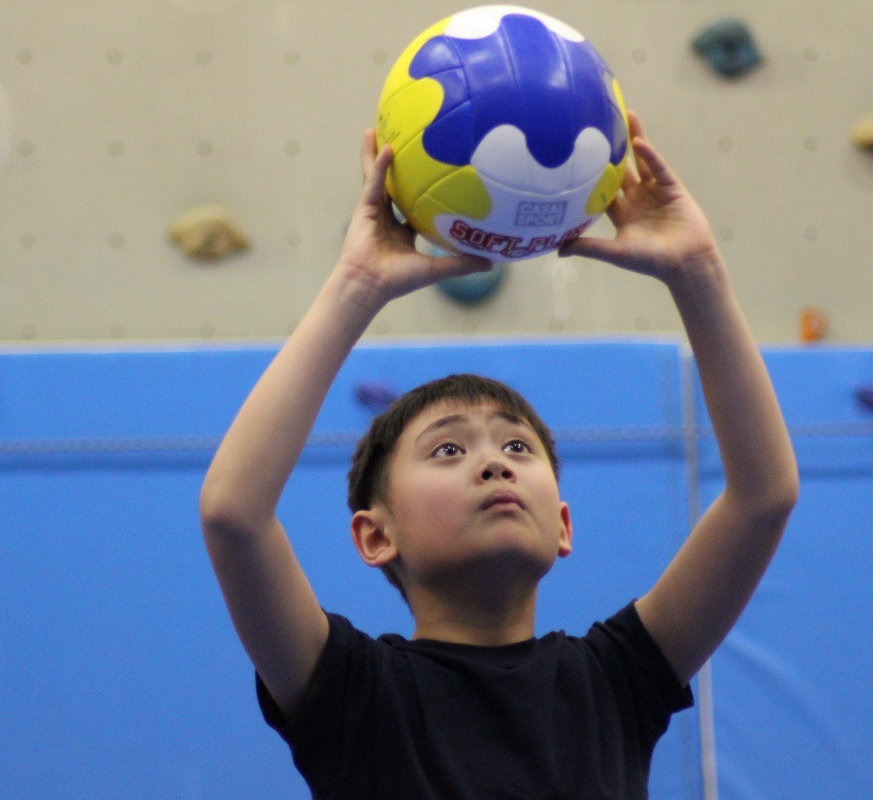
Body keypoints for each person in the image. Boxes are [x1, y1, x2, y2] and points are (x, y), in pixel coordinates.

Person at [199, 112, 800, 798]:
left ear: (565, 525)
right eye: (448, 449)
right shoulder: (354, 695)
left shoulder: (616, 680)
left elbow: (763, 497)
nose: (495, 464)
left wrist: (698, 273)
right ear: (375, 533)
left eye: (517, 446)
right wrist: (356, 288)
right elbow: (233, 514)